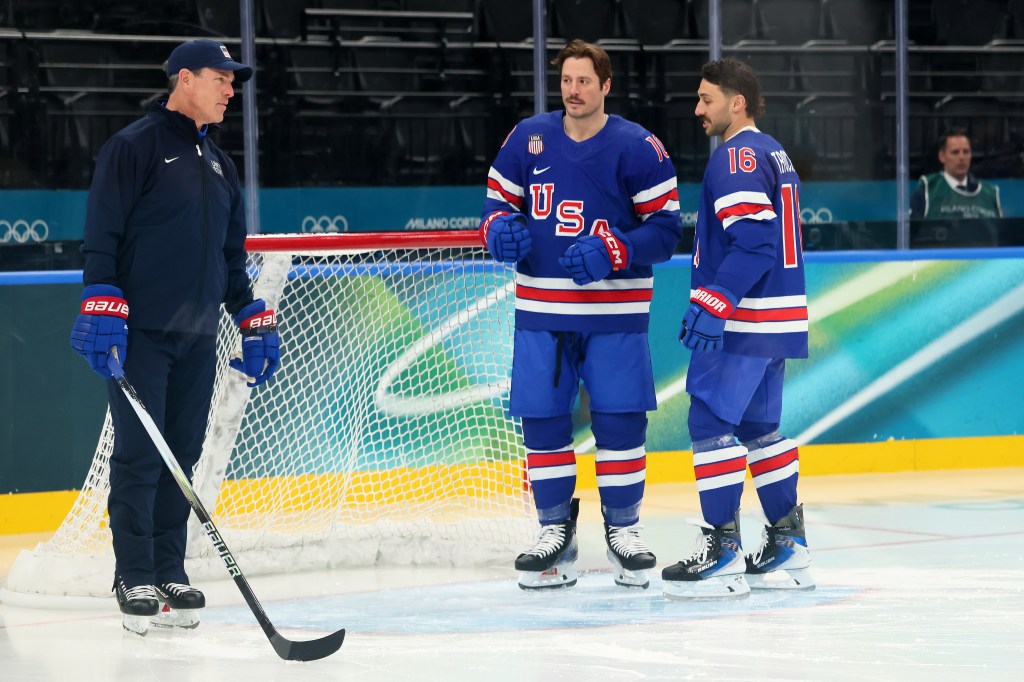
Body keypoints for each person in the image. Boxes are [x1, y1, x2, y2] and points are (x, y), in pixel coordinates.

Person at [69, 39, 280, 635]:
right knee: (140, 456)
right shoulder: (133, 147)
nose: (230, 90)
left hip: (196, 337)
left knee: (181, 457)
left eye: (234, 81)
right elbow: (102, 234)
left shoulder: (220, 163)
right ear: (185, 79)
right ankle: (132, 573)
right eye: (222, 78)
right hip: (140, 334)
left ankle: (168, 568)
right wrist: (100, 296)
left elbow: (231, 256)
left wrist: (249, 313)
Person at [479, 39, 683, 590]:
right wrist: (498, 230)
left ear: (605, 85)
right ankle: (554, 534)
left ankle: (624, 531)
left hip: (614, 314)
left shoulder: (638, 146)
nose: (573, 91)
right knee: (543, 421)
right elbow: (497, 204)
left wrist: (617, 249)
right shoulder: (528, 137)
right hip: (542, 311)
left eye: (584, 81)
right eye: (567, 81)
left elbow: (665, 231)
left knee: (619, 422)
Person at [660, 57, 814, 600]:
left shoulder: (737, 155)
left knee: (709, 423)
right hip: (779, 316)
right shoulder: (774, 151)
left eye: (706, 99)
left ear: (736, 102)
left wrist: (715, 300)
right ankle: (788, 542)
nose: (698, 109)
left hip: (747, 320)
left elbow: (754, 242)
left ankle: (722, 550)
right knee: (759, 432)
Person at [910, 128, 1003, 219]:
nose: (962, 157)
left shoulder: (990, 193)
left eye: (966, 152)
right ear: (942, 156)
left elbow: (1001, 232)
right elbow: (912, 231)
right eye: (955, 152)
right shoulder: (928, 189)